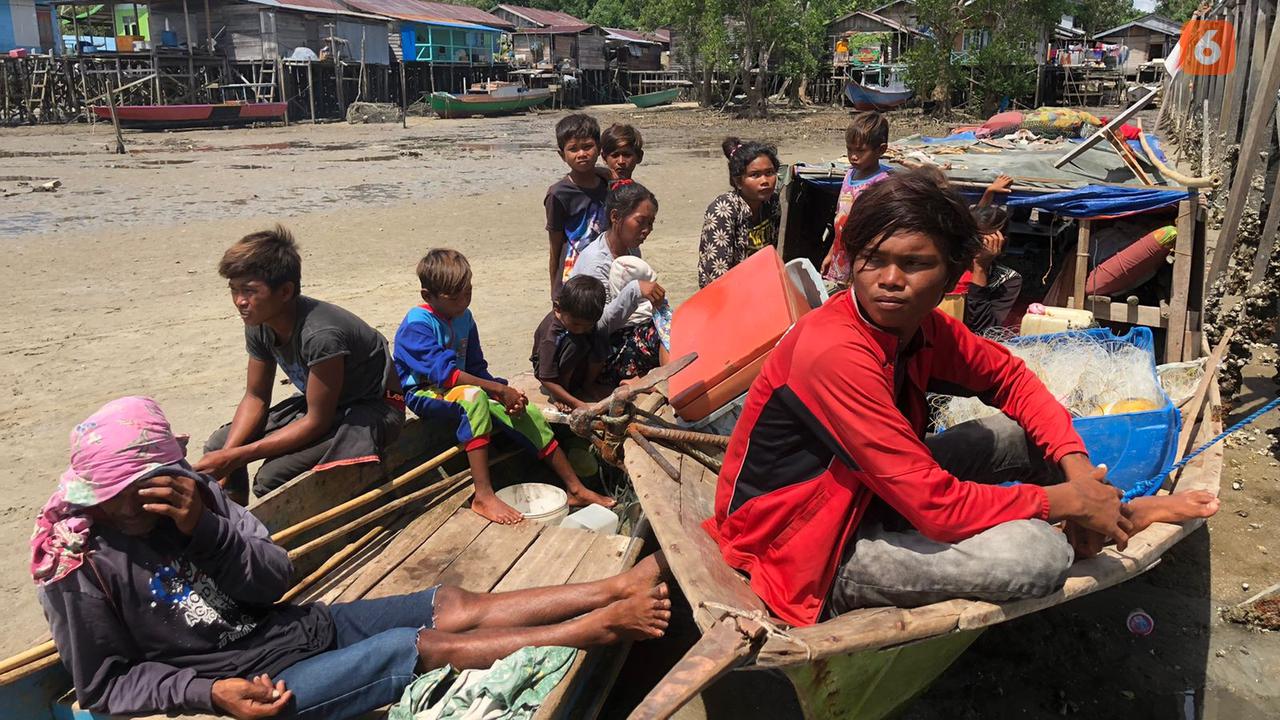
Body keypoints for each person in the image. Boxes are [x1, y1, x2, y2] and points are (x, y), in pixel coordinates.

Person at [704, 170, 1218, 627]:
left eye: (913, 264)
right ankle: (1105, 522)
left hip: (873, 492)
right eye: (873, 260)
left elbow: (1012, 382)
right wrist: (1063, 499)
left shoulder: (918, 327)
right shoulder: (833, 350)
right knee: (1035, 558)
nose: (889, 280)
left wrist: (1079, 474)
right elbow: (936, 505)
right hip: (804, 543)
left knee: (1023, 435)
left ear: (953, 277)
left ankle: (1106, 518)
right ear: (851, 260)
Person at [35, 397, 671, 720]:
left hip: (286, 628)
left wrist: (205, 528)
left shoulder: (192, 499)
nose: (135, 508)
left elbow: (274, 579)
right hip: (251, 689)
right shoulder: (77, 564)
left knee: (448, 602)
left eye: (146, 491)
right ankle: (588, 629)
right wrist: (209, 693)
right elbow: (105, 686)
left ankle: (607, 590)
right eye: (119, 498)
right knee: (413, 646)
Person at [394, 249, 615, 525]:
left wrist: (503, 391)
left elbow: (475, 367)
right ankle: (483, 495)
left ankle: (575, 488)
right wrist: (495, 390)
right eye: (456, 297)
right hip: (426, 392)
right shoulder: (417, 325)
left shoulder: (464, 317)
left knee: (525, 410)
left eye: (469, 291)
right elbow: (446, 376)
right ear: (429, 296)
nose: (465, 300)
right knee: (473, 398)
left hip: (460, 386)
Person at [198, 226, 404, 503]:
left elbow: (316, 422)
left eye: (248, 291)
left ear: (285, 291)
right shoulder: (261, 323)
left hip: (374, 408)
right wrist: (228, 455)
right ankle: (235, 522)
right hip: (324, 404)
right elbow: (255, 396)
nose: (239, 301)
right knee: (219, 444)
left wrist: (236, 456)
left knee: (272, 476)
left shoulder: (320, 336)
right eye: (233, 290)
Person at [570, 179, 668, 384]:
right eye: (641, 221)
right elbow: (595, 325)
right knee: (660, 335)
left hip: (623, 333)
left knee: (673, 324)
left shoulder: (630, 249)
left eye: (650, 223)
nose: (647, 230)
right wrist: (634, 291)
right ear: (615, 217)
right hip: (596, 353)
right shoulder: (596, 263)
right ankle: (664, 385)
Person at [697, 137, 781, 288]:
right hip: (730, 291)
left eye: (770, 173)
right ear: (738, 182)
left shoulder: (773, 202)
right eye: (755, 175)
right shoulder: (724, 209)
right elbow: (717, 274)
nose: (765, 181)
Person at [821, 111, 892, 289]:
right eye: (849, 149)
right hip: (841, 256)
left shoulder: (881, 183)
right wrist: (831, 253)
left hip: (863, 260)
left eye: (860, 151)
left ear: (881, 150)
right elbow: (840, 220)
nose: (853, 156)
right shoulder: (849, 174)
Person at [545, 113, 608, 298]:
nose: (581, 154)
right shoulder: (558, 194)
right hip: (573, 277)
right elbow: (555, 247)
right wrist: (555, 292)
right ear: (562, 155)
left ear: (599, 148)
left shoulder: (609, 184)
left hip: (606, 270)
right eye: (573, 149)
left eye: (587, 147)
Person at [532, 276, 611, 411]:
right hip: (551, 374)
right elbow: (545, 377)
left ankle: (588, 384)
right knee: (575, 344)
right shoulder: (551, 337)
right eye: (576, 324)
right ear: (557, 308)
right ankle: (561, 394)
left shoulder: (581, 323)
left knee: (600, 336)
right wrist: (576, 403)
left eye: (588, 325)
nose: (581, 330)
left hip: (576, 365)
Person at [954, 205, 1024, 333]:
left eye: (983, 240)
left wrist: (980, 268)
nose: (974, 244)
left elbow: (985, 329)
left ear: (1000, 242)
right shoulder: (948, 265)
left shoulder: (1007, 279)